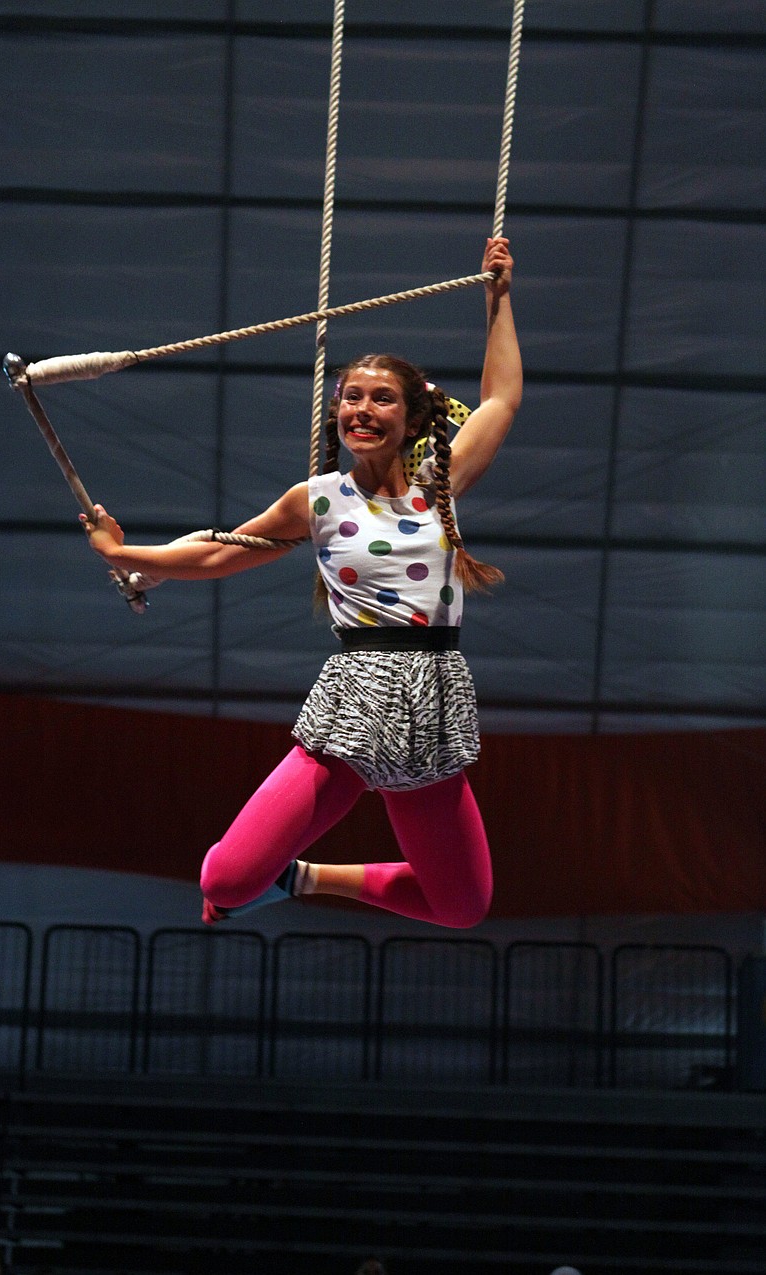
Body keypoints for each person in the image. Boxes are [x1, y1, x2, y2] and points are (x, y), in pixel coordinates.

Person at [82, 236, 522, 928]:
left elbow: (501, 399)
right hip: (354, 701)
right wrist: (127, 553)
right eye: (352, 398)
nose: (362, 410)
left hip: (431, 702)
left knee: (462, 906)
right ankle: (264, 878)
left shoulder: (440, 483)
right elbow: (222, 550)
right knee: (224, 882)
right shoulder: (317, 500)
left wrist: (497, 297)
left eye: (381, 399)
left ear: (410, 420)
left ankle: (308, 878)